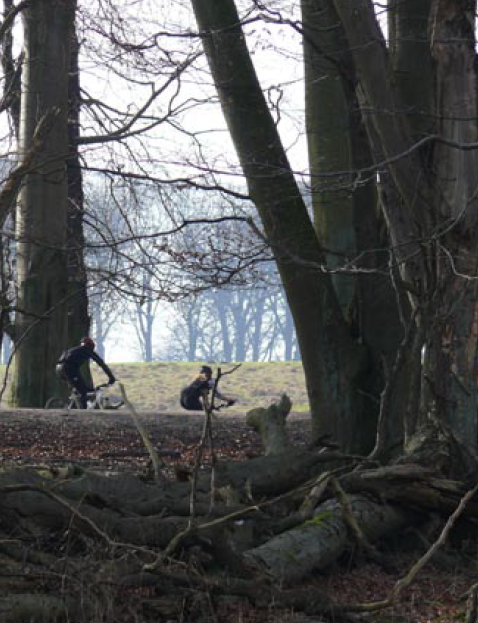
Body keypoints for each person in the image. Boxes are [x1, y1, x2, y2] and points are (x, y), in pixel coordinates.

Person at [55, 337, 116, 409]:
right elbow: (101, 364)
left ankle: (74, 404)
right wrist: (111, 377)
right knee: (83, 391)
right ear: (91, 346)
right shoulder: (87, 350)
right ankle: (84, 411)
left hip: (59, 368)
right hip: (69, 369)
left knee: (83, 387)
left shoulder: (76, 349)